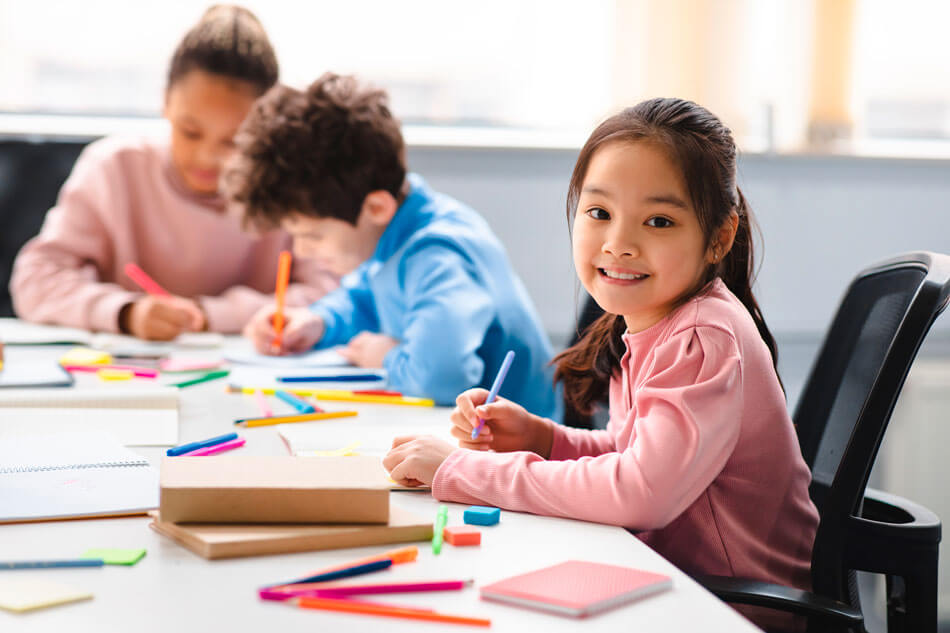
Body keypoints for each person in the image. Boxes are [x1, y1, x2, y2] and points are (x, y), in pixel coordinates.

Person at [382, 98, 819, 625]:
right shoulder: (655, 322)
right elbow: (633, 452)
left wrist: (464, 470)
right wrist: (543, 438)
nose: (619, 244)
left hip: (730, 609)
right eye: (599, 213)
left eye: (658, 221)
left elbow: (641, 492)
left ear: (718, 238)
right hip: (678, 583)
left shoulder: (703, 338)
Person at [230, 73, 559, 416]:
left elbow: (443, 378)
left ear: (376, 208)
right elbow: (365, 300)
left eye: (313, 236)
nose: (301, 251)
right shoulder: (393, 229)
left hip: (520, 440)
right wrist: (318, 322)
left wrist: (385, 357)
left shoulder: (436, 254)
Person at [10, 5, 337, 340]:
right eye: (190, 132)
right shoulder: (114, 168)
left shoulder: (290, 185)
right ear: (165, 102)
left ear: (265, 125)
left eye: (234, 141)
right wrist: (126, 312)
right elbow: (35, 281)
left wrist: (213, 316)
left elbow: (335, 295)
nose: (208, 158)